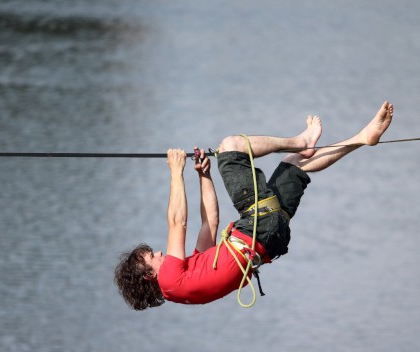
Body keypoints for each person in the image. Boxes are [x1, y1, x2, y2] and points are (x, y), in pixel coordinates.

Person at [114, 101, 394, 310]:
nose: (160, 251)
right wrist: (176, 172)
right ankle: (300, 140)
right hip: (255, 229)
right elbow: (178, 222)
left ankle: (362, 138)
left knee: (295, 164)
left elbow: (209, 222)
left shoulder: (185, 282)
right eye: (152, 255)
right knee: (230, 146)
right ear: (150, 275)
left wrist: (204, 176)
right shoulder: (170, 278)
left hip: (272, 237)